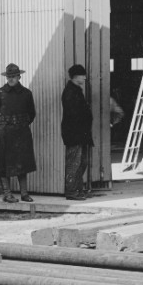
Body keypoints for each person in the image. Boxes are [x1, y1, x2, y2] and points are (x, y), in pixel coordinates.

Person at [0, 63, 37, 202]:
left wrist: (20, 124)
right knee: (4, 163)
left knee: (22, 163)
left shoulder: (27, 93)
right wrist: (4, 125)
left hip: (22, 133)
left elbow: (32, 114)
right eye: (9, 76)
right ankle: (7, 194)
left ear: (19, 77)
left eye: (14, 76)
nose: (11, 79)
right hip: (5, 133)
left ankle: (24, 193)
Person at [60, 64, 93, 200]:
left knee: (82, 162)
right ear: (76, 77)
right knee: (74, 162)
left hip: (81, 133)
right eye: (82, 75)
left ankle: (78, 190)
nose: (85, 78)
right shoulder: (70, 92)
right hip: (75, 133)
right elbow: (74, 115)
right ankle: (72, 192)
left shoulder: (76, 90)